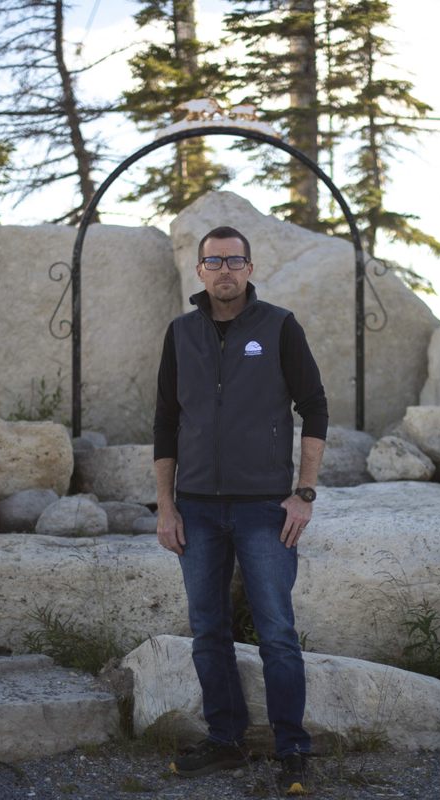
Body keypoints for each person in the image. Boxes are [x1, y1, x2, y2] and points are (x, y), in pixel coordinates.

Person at [153, 225, 328, 795]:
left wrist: (303, 492)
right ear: (199, 271)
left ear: (250, 268)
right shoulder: (181, 334)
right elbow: (163, 424)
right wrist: (165, 506)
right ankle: (225, 743)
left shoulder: (278, 326)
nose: (224, 269)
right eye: (213, 261)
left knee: (277, 631)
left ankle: (292, 750)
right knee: (208, 629)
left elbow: (315, 407)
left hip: (263, 508)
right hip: (197, 508)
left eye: (234, 260)